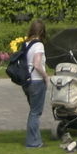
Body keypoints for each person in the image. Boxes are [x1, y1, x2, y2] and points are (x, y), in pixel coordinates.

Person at [20, 18, 46, 146]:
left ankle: (36, 139)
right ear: (42, 31)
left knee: (33, 111)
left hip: (27, 81)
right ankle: (33, 142)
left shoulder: (26, 44)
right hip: (37, 81)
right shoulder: (39, 45)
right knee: (35, 113)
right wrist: (46, 77)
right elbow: (37, 64)